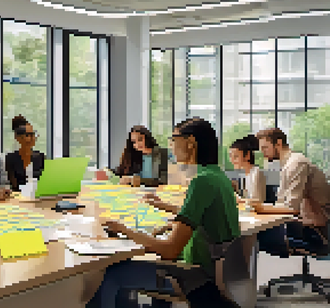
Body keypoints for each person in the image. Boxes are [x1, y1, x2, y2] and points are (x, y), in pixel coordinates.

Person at [86, 117, 240, 308]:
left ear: (191, 142)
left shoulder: (201, 181)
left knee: (111, 274)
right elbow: (206, 218)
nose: (171, 146)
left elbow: (170, 250)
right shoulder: (218, 176)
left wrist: (124, 230)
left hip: (197, 277)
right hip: (218, 271)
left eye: (173, 139)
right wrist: (173, 218)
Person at [252, 128, 330, 256]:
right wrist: (259, 207)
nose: (263, 152)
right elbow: (281, 202)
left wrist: (260, 208)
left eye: (265, 148)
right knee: (259, 233)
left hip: (315, 232)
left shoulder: (296, 163)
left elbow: (292, 208)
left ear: (278, 143)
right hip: (303, 225)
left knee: (259, 237)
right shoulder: (288, 165)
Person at [5, 115, 45, 191]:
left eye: (33, 134)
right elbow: (13, 186)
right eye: (27, 135)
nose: (32, 138)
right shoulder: (11, 158)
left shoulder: (41, 157)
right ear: (17, 137)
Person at [229, 135, 266, 202]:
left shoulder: (257, 173)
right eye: (230, 157)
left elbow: (258, 201)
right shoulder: (243, 175)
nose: (231, 161)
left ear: (247, 155)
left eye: (236, 157)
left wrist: (239, 200)